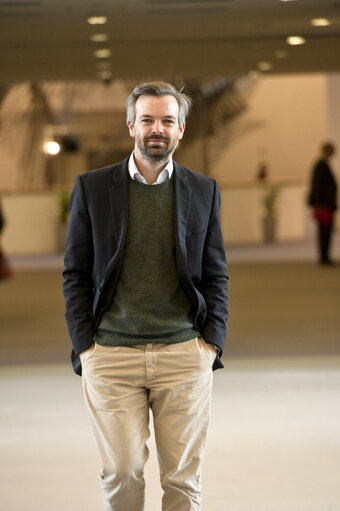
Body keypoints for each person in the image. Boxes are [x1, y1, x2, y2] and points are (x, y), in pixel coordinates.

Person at [62, 82, 229, 511]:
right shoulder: (93, 188)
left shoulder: (204, 190)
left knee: (182, 481)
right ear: (131, 125)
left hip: (183, 356)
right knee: (121, 472)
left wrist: (211, 343)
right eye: (149, 120)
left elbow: (215, 273)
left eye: (168, 121)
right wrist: (86, 345)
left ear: (181, 129)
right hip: (113, 355)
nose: (158, 128)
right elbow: (75, 273)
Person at [308, 142, 338, 266]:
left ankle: (325, 256)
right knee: (324, 231)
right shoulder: (321, 165)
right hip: (324, 205)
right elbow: (318, 186)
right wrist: (318, 203)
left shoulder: (323, 164)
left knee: (326, 231)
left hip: (326, 204)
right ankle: (324, 257)